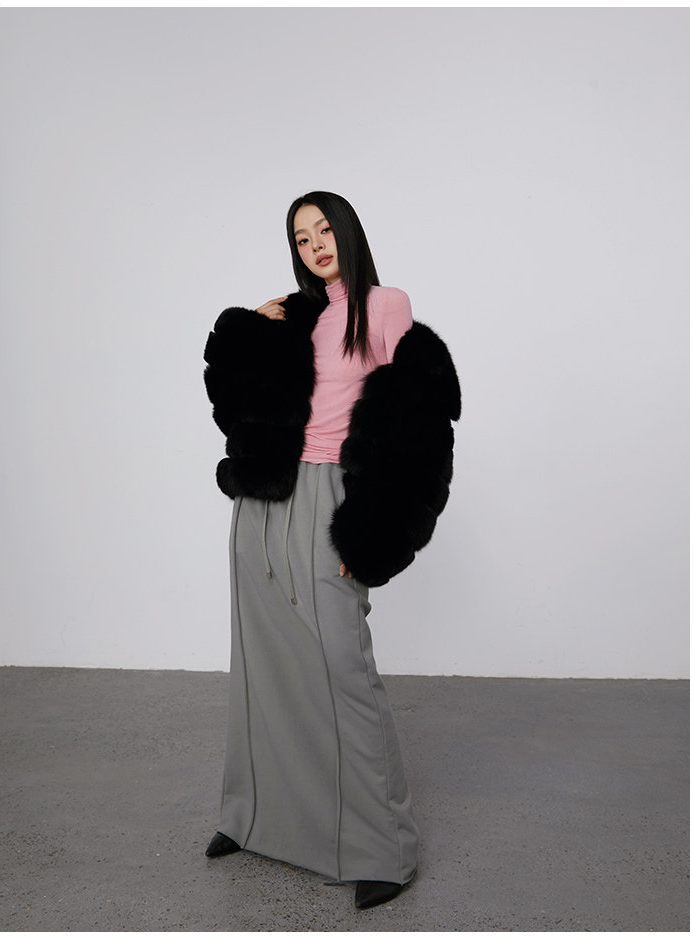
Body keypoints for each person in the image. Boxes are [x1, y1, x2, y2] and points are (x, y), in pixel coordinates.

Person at [202, 191, 461, 910]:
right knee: (260, 667)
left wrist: (375, 534)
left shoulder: (383, 306)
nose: (315, 244)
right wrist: (245, 332)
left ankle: (384, 849)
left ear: (348, 232)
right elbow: (233, 406)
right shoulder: (295, 314)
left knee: (342, 669)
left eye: (324, 229)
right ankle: (249, 817)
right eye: (301, 236)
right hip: (263, 502)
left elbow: (415, 425)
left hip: (330, 497)